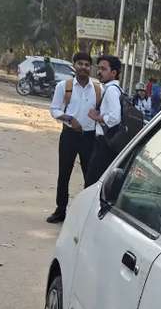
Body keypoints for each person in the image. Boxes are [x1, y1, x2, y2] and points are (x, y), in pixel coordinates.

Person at [46, 51, 102, 223]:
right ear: (74, 66)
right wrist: (69, 119)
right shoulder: (64, 86)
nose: (83, 67)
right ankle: (60, 210)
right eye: (80, 64)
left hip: (90, 138)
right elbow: (54, 109)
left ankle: (87, 215)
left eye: (87, 65)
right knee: (64, 174)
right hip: (69, 136)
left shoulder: (98, 89)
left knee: (90, 177)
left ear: (90, 68)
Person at [84, 55, 122, 187]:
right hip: (107, 143)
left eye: (103, 69)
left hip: (104, 145)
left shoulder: (111, 90)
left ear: (113, 73)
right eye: (99, 68)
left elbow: (114, 118)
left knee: (92, 184)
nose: (99, 72)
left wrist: (97, 117)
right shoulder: (114, 89)